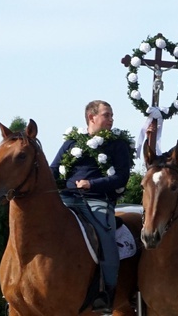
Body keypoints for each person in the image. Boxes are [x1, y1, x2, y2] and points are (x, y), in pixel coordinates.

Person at [50, 100, 133, 314]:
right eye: (107, 115)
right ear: (91, 117)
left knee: (106, 237)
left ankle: (107, 292)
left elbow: (122, 177)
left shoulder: (117, 144)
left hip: (97, 201)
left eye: (111, 115)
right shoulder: (71, 143)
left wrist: (92, 184)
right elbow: (54, 168)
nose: (111, 119)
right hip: (67, 198)